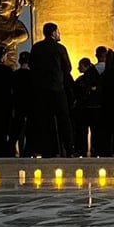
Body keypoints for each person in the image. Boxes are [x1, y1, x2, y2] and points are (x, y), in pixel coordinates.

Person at [28, 22, 74, 157]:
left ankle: (49, 150)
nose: (59, 34)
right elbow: (67, 68)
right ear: (53, 33)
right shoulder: (60, 49)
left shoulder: (36, 48)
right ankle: (68, 148)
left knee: (45, 121)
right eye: (58, 31)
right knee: (64, 120)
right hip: (57, 89)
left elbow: (32, 67)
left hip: (41, 91)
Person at [72, 58, 100, 157]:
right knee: (95, 131)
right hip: (94, 108)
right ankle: (94, 150)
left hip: (84, 109)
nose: (78, 68)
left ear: (86, 66)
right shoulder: (96, 77)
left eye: (80, 66)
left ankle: (81, 151)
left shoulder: (83, 80)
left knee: (82, 131)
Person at [10, 51, 32, 156]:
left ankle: (14, 151)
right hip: (29, 105)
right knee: (29, 131)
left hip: (18, 105)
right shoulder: (33, 75)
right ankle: (26, 152)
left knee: (16, 131)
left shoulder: (15, 75)